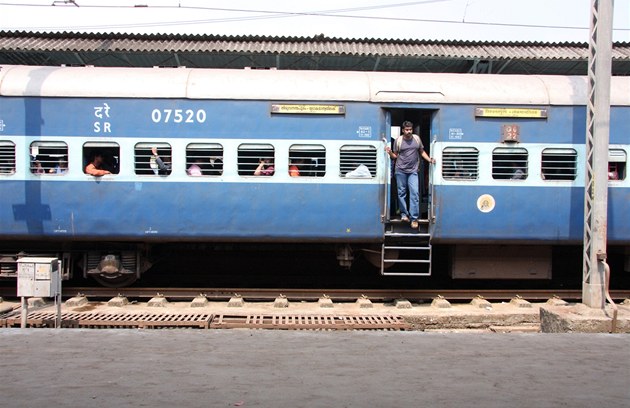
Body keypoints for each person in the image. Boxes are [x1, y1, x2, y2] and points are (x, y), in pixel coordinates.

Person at [385, 121, 435, 229]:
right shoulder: (398, 141)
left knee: (414, 193)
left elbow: (421, 151)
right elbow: (395, 156)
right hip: (400, 170)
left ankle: (414, 219)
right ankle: (404, 214)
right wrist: (389, 153)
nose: (409, 132)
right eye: (407, 130)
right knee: (401, 193)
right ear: (403, 130)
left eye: (410, 130)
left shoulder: (416, 139)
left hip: (413, 171)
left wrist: (429, 160)